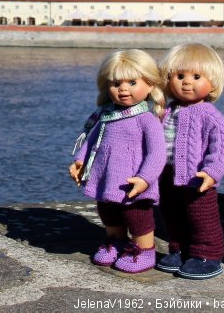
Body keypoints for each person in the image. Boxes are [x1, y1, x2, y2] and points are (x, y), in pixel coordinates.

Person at [69, 49, 166, 273]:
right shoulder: (107, 116)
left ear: (150, 85)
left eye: (132, 82)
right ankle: (116, 241)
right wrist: (79, 161)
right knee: (108, 212)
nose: (123, 89)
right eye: (116, 83)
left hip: (133, 182)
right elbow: (91, 142)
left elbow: (157, 154)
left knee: (137, 217)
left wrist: (145, 178)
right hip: (106, 179)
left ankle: (144, 250)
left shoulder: (147, 120)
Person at [156, 43, 224, 280]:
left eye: (196, 77)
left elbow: (221, 148)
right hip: (167, 174)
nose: (186, 82)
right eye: (179, 76)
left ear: (213, 83)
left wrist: (211, 172)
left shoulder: (210, 116)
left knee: (201, 217)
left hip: (197, 177)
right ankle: (179, 248)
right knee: (172, 213)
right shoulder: (166, 111)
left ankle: (207, 254)